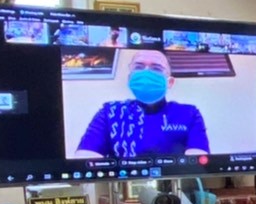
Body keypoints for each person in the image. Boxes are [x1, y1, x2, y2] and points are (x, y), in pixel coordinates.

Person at [74, 48, 209, 159]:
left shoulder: (189, 114)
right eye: (139, 67)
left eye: (156, 68)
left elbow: (199, 165)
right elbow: (84, 162)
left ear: (170, 82)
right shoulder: (109, 112)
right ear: (129, 79)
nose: (146, 73)